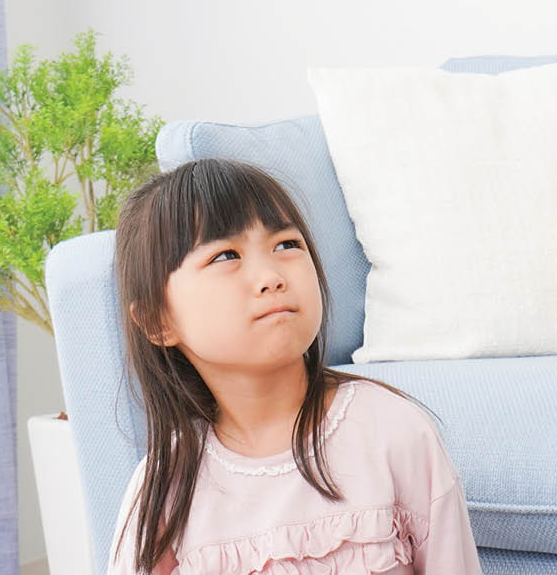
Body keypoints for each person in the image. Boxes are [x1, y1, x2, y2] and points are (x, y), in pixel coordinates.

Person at [106, 158, 483, 574]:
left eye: (287, 245)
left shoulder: (392, 432)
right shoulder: (164, 488)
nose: (270, 276)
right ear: (159, 320)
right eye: (225, 255)